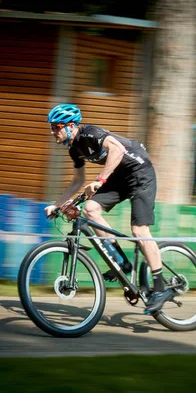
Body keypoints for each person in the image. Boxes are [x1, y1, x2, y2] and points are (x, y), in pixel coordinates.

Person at [43, 104, 173, 314]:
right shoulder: (74, 149)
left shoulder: (90, 133)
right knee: (90, 210)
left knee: (139, 230)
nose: (53, 132)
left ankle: (160, 288)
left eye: (56, 127)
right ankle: (122, 262)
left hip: (140, 173)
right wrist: (57, 205)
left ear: (70, 126)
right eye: (52, 127)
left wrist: (101, 179)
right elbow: (78, 181)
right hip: (119, 176)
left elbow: (118, 149)